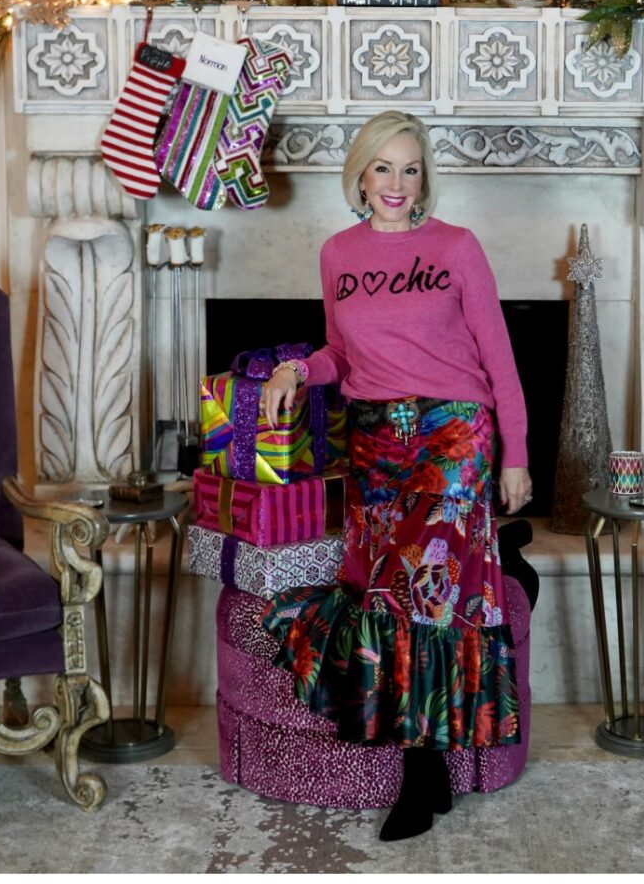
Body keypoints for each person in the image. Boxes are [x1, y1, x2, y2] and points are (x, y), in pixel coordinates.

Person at [260, 110, 532, 842]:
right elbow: (341, 356)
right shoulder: (338, 254)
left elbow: (500, 359)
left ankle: (423, 771)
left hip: (452, 429)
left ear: (424, 179)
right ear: (361, 173)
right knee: (380, 592)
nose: (396, 184)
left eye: (410, 169)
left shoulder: (456, 247)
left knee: (421, 588)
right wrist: (297, 368)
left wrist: (515, 455)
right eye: (384, 167)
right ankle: (510, 560)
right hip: (375, 437)